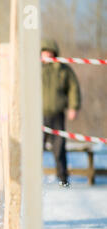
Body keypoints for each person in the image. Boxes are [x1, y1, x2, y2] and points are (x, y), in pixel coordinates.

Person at [41, 39, 81, 187]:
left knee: (59, 148)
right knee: (35, 148)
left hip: (57, 114)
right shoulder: (35, 67)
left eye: (50, 52)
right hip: (38, 115)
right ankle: (31, 179)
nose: (47, 54)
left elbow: (73, 88)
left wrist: (73, 107)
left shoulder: (63, 69)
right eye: (45, 51)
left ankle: (63, 178)